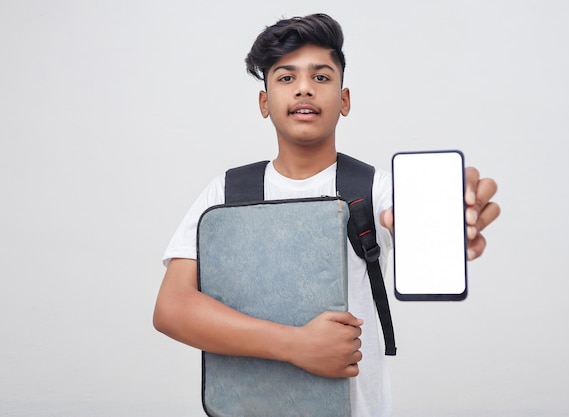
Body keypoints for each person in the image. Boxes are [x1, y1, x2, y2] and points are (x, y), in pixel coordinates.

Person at [153, 13, 500, 417]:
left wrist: (456, 211)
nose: (303, 88)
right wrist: (295, 344)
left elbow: (417, 216)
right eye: (286, 78)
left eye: (321, 77)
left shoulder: (375, 190)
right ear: (264, 102)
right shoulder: (227, 193)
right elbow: (172, 308)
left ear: (344, 99)